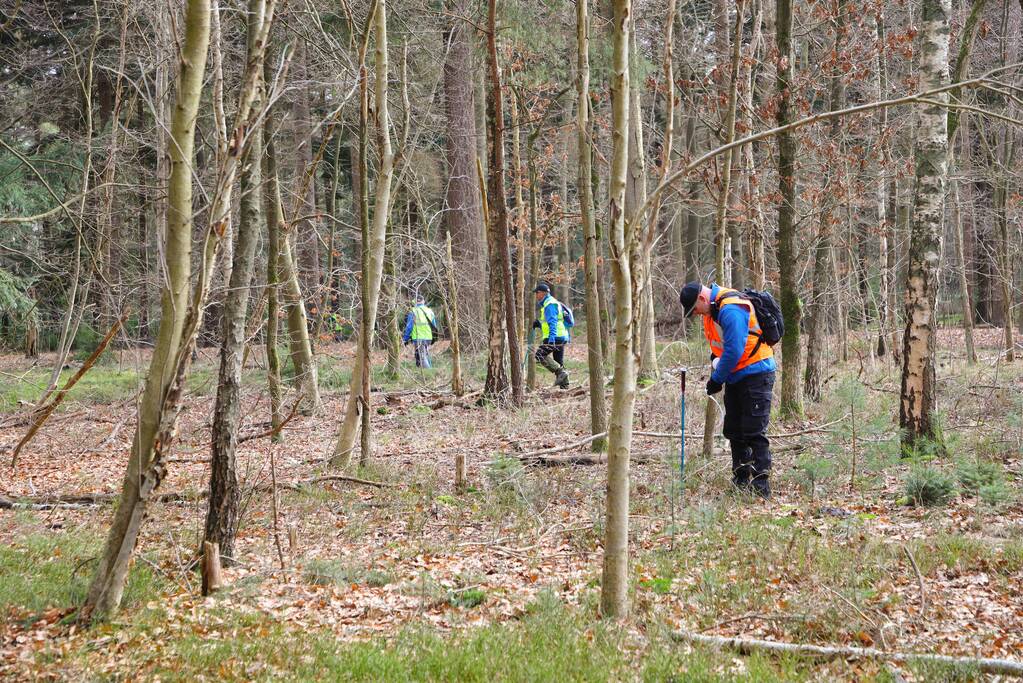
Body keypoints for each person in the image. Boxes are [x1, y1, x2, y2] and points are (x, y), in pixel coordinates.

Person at [680, 281, 777, 498]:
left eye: (695, 309)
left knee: (754, 430)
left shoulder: (731, 308)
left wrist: (716, 379)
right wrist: (715, 360)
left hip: (756, 373)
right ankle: (740, 479)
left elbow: (734, 350)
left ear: (703, 299)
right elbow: (722, 347)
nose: (695, 314)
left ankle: (761, 486)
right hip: (737, 375)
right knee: (734, 430)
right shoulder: (712, 310)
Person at [532, 283, 570, 388]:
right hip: (561, 336)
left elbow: (553, 322)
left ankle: (561, 372)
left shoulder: (549, 304)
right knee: (558, 361)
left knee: (539, 355)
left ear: (544, 293)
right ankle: (564, 387)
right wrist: (539, 324)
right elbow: (549, 322)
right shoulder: (552, 303)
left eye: (537, 293)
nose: (536, 295)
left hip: (554, 337)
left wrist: (552, 339)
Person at [402, 296, 438, 368]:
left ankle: (428, 373)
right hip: (428, 337)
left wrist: (405, 339)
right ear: (423, 301)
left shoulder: (413, 311)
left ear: (414, 302)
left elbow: (409, 327)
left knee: (422, 357)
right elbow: (434, 325)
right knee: (422, 355)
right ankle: (421, 371)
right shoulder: (429, 311)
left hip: (418, 337)